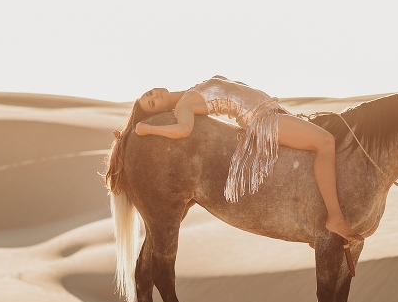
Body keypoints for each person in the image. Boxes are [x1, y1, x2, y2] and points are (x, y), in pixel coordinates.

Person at [104, 75, 363, 243]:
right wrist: (149, 130)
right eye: (150, 103)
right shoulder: (183, 106)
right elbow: (183, 130)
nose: (153, 96)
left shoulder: (189, 92)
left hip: (271, 113)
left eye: (149, 93)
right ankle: (334, 216)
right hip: (263, 121)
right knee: (325, 142)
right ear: (159, 111)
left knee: (320, 143)